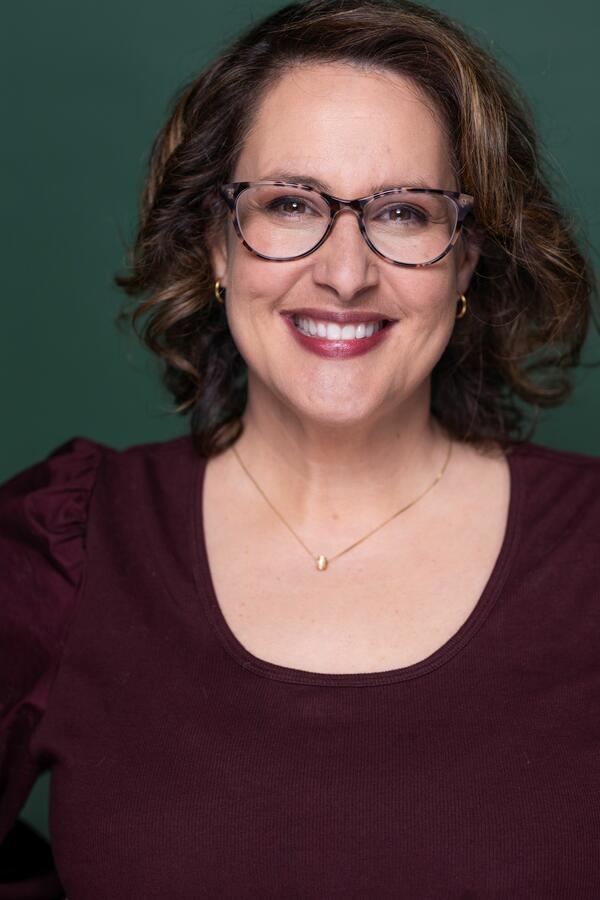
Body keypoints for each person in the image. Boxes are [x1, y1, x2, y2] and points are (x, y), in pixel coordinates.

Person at [1, 0, 598, 896]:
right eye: (289, 204)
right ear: (215, 242)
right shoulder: (65, 550)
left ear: (466, 258)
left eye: (403, 211)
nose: (347, 272)